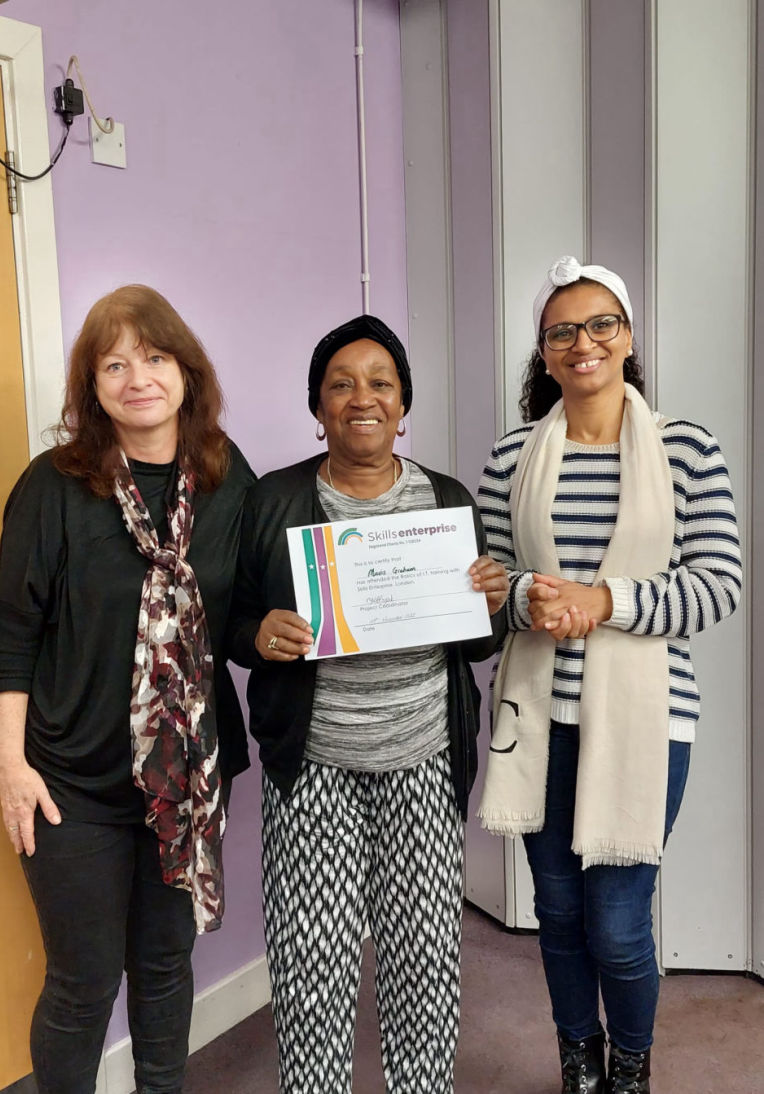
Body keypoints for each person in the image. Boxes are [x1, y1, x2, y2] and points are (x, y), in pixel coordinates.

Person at [476, 256, 742, 1093]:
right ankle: (578, 1062)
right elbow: (492, 591)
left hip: (647, 722)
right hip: (537, 720)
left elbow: (719, 585)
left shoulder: (687, 449)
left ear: (628, 338)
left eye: (601, 324)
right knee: (558, 913)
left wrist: (605, 601)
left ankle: (630, 1067)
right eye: (562, 330)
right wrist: (526, 598)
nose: (582, 342)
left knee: (619, 925)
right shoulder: (513, 455)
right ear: (544, 351)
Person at [0, 285, 255, 1094]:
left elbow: (242, 613)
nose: (139, 378)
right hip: (73, 786)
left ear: (186, 370)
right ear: (92, 386)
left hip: (186, 779)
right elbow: (12, 639)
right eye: (115, 364)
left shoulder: (225, 475)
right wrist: (11, 769)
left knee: (166, 967)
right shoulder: (53, 487)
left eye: (156, 357)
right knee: (83, 984)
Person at [228, 314, 508, 1093]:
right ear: (317, 406)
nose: (363, 398)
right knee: (311, 960)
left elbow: (477, 646)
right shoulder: (274, 501)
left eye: (381, 383)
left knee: (424, 954)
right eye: (341, 384)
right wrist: (260, 635)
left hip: (422, 758)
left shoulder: (446, 500)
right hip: (313, 764)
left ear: (403, 405)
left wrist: (490, 601)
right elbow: (233, 623)